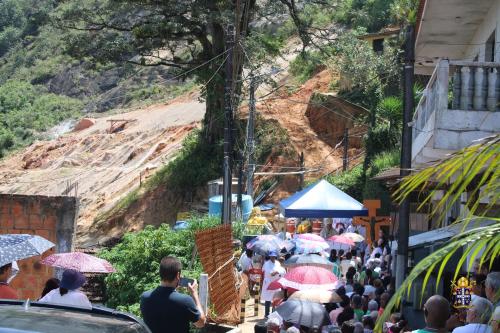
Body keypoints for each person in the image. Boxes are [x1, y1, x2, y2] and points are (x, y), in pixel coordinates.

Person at [140, 256, 205, 333]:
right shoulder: (185, 301)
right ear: (178, 275)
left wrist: (175, 290)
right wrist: (195, 294)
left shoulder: (145, 297)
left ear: (160, 273)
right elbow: (201, 323)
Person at [261, 251, 285, 317]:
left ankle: (273, 313)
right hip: (268, 283)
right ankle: (266, 314)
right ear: (270, 256)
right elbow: (269, 273)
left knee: (276, 299)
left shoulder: (277, 263)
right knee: (268, 299)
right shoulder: (266, 264)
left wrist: (278, 272)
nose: (273, 258)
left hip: (276, 282)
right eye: (271, 256)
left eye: (274, 256)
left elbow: (282, 271)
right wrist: (274, 273)